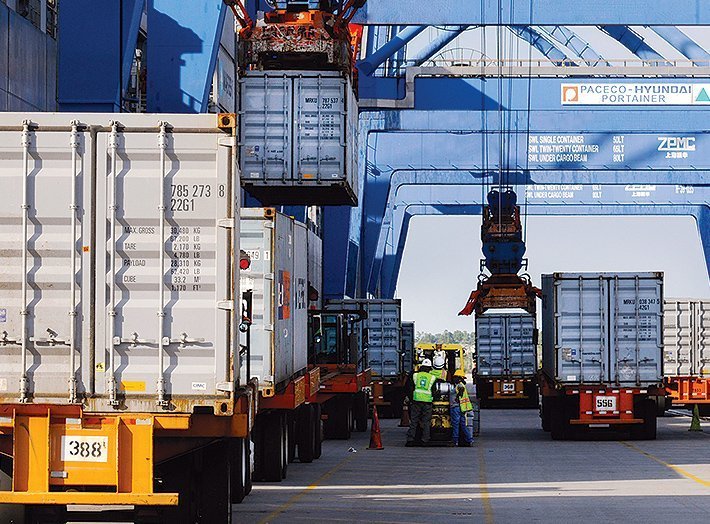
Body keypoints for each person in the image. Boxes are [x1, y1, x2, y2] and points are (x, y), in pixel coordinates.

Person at [405, 358, 436, 447]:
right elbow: (434, 391)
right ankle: (425, 440)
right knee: (426, 422)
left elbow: (410, 388)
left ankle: (410, 440)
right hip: (427, 402)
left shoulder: (415, 376)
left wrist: (411, 399)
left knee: (414, 421)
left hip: (416, 401)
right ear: (430, 368)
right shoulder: (432, 378)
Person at [450, 369, 474, 447]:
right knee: (463, 425)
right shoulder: (461, 385)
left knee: (455, 425)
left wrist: (457, 396)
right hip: (461, 408)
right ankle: (469, 439)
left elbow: (460, 392)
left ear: (459, 378)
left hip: (456, 408)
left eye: (456, 377)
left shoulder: (459, 385)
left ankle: (455, 441)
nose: (454, 379)